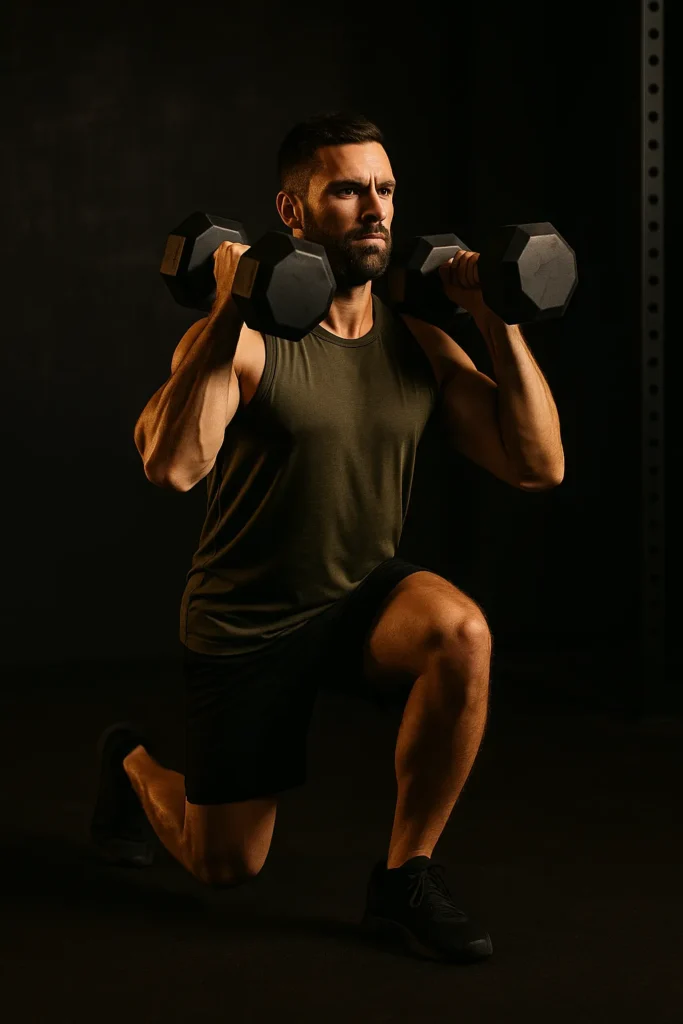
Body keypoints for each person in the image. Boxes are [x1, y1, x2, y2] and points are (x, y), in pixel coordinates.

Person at [90, 111, 564, 964]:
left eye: (384, 189)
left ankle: (404, 875)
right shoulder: (241, 342)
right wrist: (234, 308)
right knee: (224, 864)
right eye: (347, 190)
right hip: (248, 622)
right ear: (293, 213)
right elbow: (171, 467)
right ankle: (133, 766)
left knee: (462, 633)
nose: (375, 208)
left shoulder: (416, 340)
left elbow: (537, 467)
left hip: (358, 596)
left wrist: (494, 315)